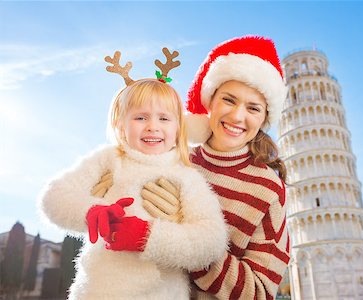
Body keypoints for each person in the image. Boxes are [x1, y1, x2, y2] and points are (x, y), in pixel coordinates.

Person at [105, 35, 290, 299]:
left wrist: (184, 235)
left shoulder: (268, 190)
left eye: (253, 108)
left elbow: (259, 292)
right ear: (210, 101)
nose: (237, 116)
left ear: (263, 118)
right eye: (229, 100)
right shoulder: (171, 159)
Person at [38, 48, 228, 300]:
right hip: (99, 290)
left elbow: (211, 241)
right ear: (120, 124)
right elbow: (54, 196)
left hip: (162, 293)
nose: (153, 126)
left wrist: (147, 236)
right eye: (140, 117)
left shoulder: (186, 176)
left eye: (164, 118)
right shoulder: (108, 159)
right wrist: (91, 211)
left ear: (179, 127)